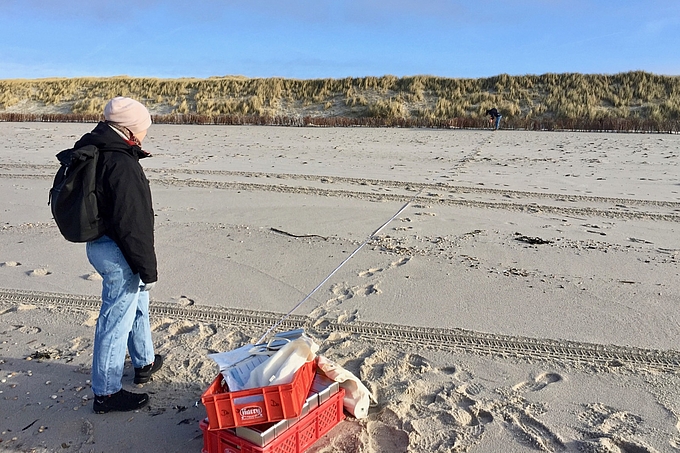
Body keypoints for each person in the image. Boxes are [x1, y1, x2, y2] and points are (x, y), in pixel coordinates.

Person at [73, 97, 163, 413]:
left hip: (99, 243)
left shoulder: (94, 146)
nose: (144, 135)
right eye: (142, 129)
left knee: (137, 303)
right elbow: (133, 224)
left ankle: (144, 362)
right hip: (116, 249)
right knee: (116, 318)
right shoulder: (121, 162)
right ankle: (107, 393)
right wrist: (148, 270)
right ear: (129, 129)